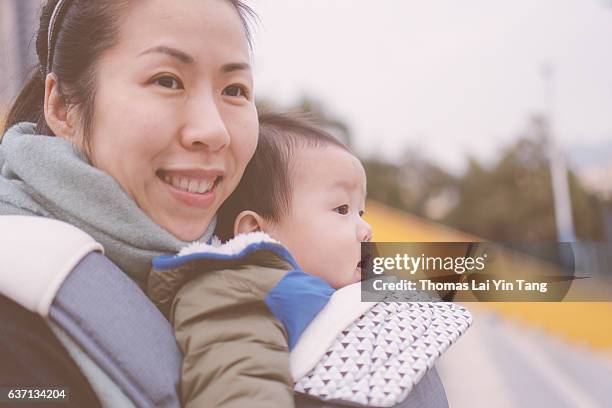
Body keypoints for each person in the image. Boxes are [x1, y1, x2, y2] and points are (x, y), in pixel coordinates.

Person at [0, 0, 449, 407]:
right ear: (62, 107)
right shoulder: (17, 324)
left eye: (234, 90)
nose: (214, 131)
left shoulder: (257, 255)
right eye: (167, 80)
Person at [147, 112, 370, 407]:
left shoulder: (334, 286)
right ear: (256, 231)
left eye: (361, 213)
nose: (366, 231)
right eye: (342, 209)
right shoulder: (238, 291)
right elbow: (240, 382)